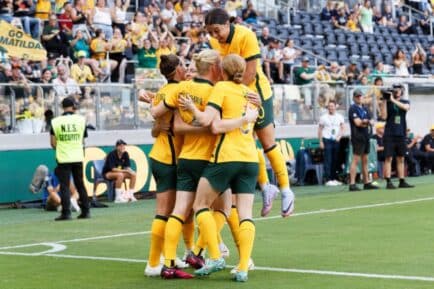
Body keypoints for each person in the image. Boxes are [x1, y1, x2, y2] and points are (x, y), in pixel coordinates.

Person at [205, 8, 295, 218]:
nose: (214, 36)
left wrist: (234, 95)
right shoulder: (215, 43)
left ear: (227, 24)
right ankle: (265, 187)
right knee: (247, 144)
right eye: (211, 32)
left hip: (256, 93)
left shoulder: (246, 35)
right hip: (236, 96)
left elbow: (251, 72)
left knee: (268, 143)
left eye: (217, 30)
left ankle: (286, 190)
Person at [178, 54, 259, 282]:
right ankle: (243, 267)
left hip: (226, 157)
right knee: (244, 214)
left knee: (200, 205)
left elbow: (209, 123)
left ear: (221, 70)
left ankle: (214, 255)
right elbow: (255, 119)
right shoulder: (250, 93)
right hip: (250, 159)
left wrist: (192, 108)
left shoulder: (222, 87)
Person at [150, 51, 223, 279]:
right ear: (213, 68)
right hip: (207, 159)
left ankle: (169, 263)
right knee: (219, 209)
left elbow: (159, 117)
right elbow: (217, 126)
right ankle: (207, 252)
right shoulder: (215, 92)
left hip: (183, 157)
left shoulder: (181, 89)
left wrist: (150, 104)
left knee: (180, 210)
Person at [144, 53, 187, 277]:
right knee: (164, 212)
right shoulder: (175, 92)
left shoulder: (163, 91)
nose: (187, 67)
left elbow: (155, 128)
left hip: (163, 155)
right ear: (177, 69)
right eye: (184, 64)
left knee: (173, 211)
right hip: (167, 158)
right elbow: (159, 123)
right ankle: (153, 263)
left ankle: (167, 255)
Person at [50, 97, 90, 221]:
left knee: (65, 186)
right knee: (80, 184)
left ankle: (66, 213)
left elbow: (52, 143)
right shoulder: (81, 120)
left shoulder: (55, 121)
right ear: (74, 106)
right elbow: (83, 140)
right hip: (78, 156)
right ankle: (86, 211)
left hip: (63, 157)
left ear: (63, 107)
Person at [380, 84, 414, 189]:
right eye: (395, 90)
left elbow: (406, 108)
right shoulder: (388, 102)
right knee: (389, 157)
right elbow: (384, 116)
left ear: (402, 91)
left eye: (399, 90)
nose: (397, 91)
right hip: (389, 133)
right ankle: (388, 181)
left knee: (401, 158)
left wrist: (392, 100)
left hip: (401, 133)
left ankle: (402, 180)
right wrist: (385, 100)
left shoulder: (405, 101)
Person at [348, 89, 379, 191]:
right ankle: (352, 183)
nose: (359, 98)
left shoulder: (366, 108)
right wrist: (366, 122)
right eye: (357, 96)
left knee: (365, 160)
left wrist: (366, 122)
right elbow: (357, 123)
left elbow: (372, 121)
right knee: (356, 160)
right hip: (357, 137)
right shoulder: (353, 108)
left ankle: (366, 182)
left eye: (360, 96)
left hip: (366, 136)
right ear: (354, 98)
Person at [318, 100, 345, 185]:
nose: (331, 108)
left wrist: (339, 136)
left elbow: (343, 128)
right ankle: (328, 179)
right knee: (328, 160)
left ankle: (334, 178)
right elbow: (320, 130)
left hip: (336, 140)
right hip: (327, 139)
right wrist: (321, 141)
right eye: (329, 106)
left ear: (335, 106)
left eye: (332, 106)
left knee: (335, 160)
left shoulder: (340, 117)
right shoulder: (323, 117)